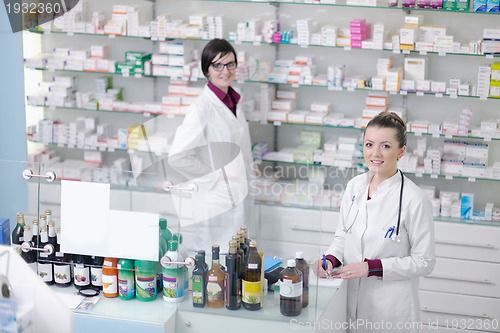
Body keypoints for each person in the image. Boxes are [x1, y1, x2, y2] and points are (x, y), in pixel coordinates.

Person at [313, 111, 435, 332]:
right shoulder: (354, 186)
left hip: (391, 309)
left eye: (386, 146)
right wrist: (329, 259)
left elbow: (424, 262)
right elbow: (343, 235)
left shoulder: (414, 199)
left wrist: (371, 268)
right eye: (369, 144)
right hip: (350, 301)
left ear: (401, 152)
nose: (375, 153)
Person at [168, 39, 255, 253]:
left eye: (230, 64)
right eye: (218, 65)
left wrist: (249, 165)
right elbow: (177, 156)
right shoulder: (202, 108)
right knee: (213, 266)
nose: (225, 71)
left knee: (236, 260)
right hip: (215, 202)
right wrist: (215, 177)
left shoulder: (233, 101)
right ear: (207, 70)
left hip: (238, 194)